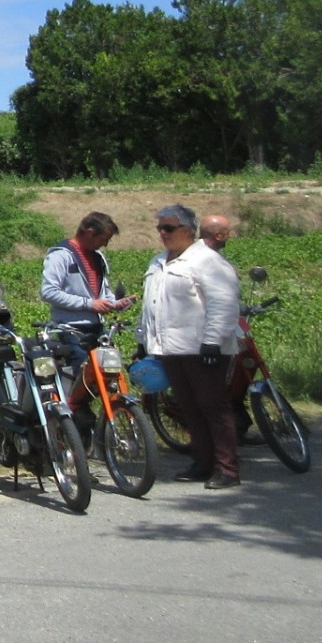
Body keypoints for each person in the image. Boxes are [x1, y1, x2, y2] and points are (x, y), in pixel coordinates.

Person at [139, 203, 242, 488]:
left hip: (202, 348)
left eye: (168, 228)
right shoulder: (158, 262)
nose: (162, 233)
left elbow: (223, 303)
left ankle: (227, 469)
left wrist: (212, 341)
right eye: (160, 228)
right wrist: (143, 341)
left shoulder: (207, 261)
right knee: (189, 408)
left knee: (213, 407)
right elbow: (151, 306)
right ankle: (203, 462)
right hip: (171, 349)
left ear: (187, 229)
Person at [39, 212, 133, 389]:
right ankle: (73, 405)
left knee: (108, 375)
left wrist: (115, 303)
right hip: (72, 329)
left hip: (97, 328)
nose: (105, 244)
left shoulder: (97, 258)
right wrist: (88, 304)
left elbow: (102, 292)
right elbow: (48, 292)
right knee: (81, 380)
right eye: (103, 239)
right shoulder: (61, 256)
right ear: (89, 233)